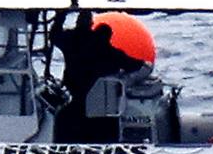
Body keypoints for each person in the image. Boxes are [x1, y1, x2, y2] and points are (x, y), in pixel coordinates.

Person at [49, 10, 144, 142]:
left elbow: (54, 35)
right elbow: (134, 64)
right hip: (103, 103)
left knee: (64, 116)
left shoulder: (71, 40)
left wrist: (60, 16)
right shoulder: (110, 51)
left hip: (78, 97)